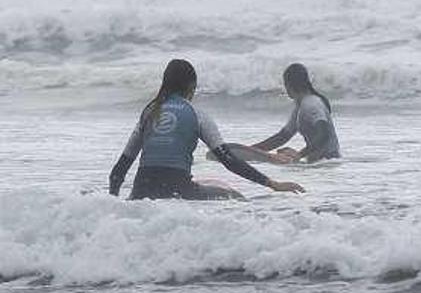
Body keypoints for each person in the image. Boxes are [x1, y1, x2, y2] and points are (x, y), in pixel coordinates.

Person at [109, 59, 305, 200]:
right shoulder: (196, 114)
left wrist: (113, 204)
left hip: (140, 193)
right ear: (191, 87)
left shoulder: (149, 113)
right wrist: (273, 184)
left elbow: (118, 172)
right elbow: (229, 161)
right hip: (178, 191)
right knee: (234, 196)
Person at [250, 63, 340, 163]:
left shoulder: (311, 105)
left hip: (327, 162)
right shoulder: (301, 105)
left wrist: (300, 154)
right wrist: (252, 151)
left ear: (289, 84)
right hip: (320, 163)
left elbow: (324, 134)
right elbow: (283, 136)